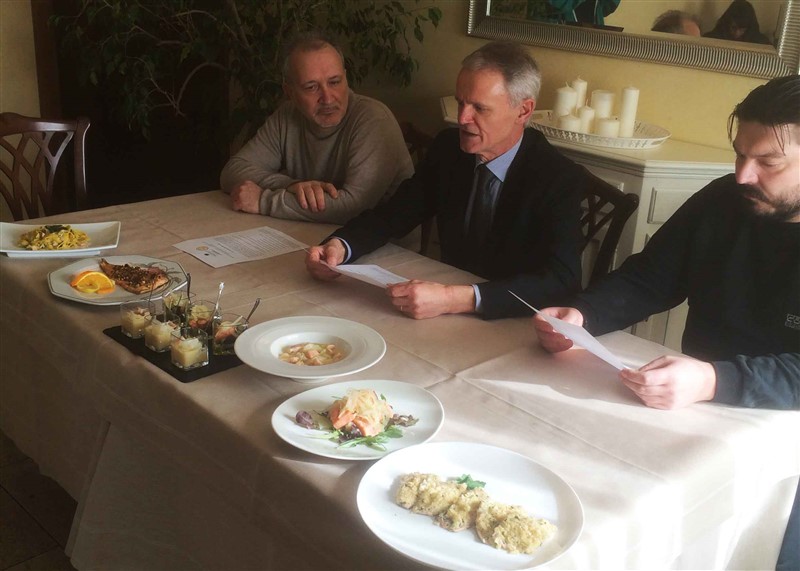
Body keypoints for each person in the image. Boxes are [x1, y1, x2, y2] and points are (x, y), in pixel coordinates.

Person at [532, 75, 800, 570]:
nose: (742, 174)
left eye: (768, 162)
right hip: (691, 408)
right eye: (740, 153)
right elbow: (650, 278)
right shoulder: (725, 199)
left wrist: (712, 378)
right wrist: (584, 315)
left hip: (785, 434)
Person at [305, 41, 587, 320]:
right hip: (444, 312)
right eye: (460, 102)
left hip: (512, 322)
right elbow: (394, 213)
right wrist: (341, 245)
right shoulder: (449, 149)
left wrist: (456, 299)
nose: (462, 118)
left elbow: (561, 281)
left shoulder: (557, 178)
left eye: (479, 108)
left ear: (523, 111)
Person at [220, 31, 413, 224]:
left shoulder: (374, 119)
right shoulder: (287, 115)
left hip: (386, 248)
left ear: (346, 79)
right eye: (311, 87)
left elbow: (354, 208)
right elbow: (232, 171)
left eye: (335, 82)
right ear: (290, 92)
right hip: (311, 234)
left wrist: (264, 201)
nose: (328, 98)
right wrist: (292, 185)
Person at [704, 0, 771, 45]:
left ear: (749, 28)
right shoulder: (712, 39)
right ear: (727, 24)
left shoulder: (761, 43)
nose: (737, 33)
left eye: (742, 29)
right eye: (733, 28)